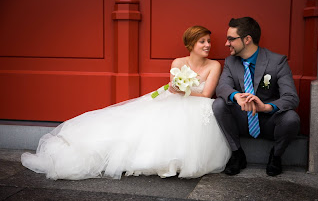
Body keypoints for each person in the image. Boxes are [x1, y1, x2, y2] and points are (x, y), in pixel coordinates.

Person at [21, 26, 231, 180]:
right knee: (138, 122)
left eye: (208, 41)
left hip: (197, 104)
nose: (207, 46)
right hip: (171, 98)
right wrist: (176, 90)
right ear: (191, 44)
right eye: (202, 41)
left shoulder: (214, 65)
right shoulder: (177, 62)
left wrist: (184, 92)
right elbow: (173, 86)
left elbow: (205, 95)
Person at [212, 17, 300, 177]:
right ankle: (237, 154)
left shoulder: (277, 61)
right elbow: (222, 87)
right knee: (219, 104)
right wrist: (235, 95)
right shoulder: (231, 62)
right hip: (241, 118)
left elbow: (291, 97)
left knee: (291, 118)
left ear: (247, 39)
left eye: (231, 39)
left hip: (268, 120)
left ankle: (276, 156)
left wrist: (266, 107)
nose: (227, 43)